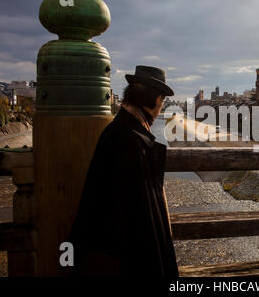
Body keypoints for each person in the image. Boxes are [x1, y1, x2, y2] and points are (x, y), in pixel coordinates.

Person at [68, 65, 178, 277]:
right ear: (157, 101)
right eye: (162, 101)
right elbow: (138, 218)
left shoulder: (119, 132)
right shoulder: (132, 141)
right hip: (125, 262)